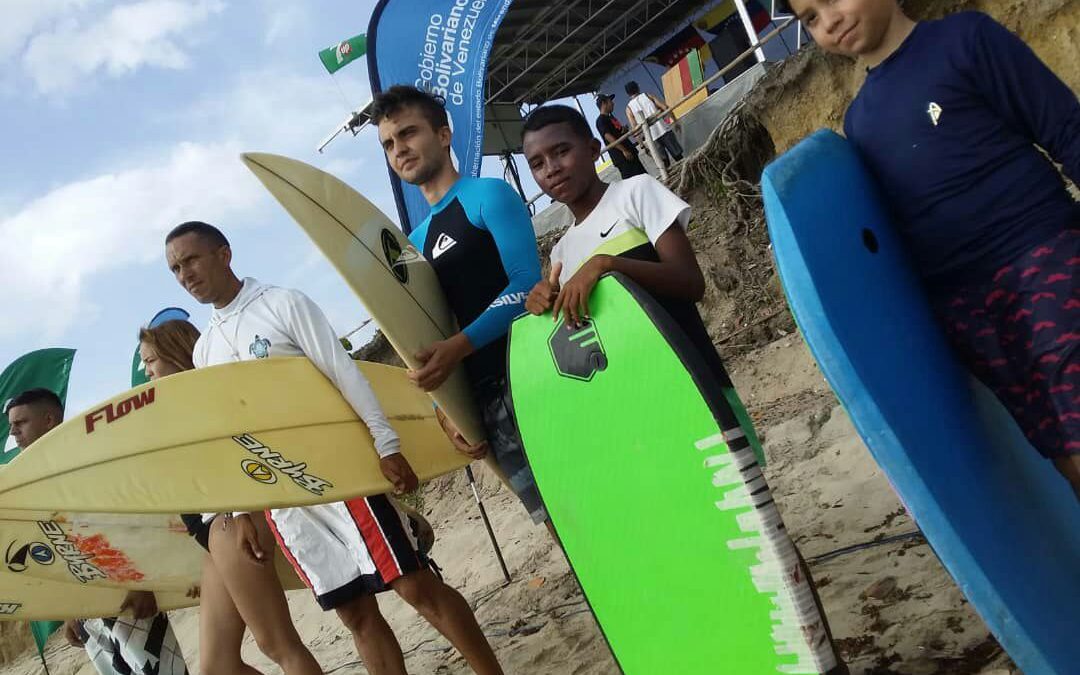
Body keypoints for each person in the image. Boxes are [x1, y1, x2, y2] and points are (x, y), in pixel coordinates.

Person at [518, 104, 849, 674]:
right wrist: (540, 301)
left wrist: (610, 264)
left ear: (593, 148)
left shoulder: (637, 194)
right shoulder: (561, 253)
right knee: (704, 543)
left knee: (761, 535)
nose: (552, 169)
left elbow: (689, 282)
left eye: (562, 151)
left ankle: (826, 662)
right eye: (538, 163)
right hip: (637, 418)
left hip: (695, 392)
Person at [165, 221, 503, 675]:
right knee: (355, 613)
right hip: (285, 500)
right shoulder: (205, 350)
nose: (185, 274)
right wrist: (242, 509)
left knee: (413, 585)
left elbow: (344, 373)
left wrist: (386, 444)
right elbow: (234, 432)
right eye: (175, 269)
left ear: (223, 254)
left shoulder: (281, 304)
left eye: (190, 260)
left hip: (337, 474)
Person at [785, 0, 1080, 497]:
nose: (829, 20)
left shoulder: (965, 41)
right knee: (1056, 446)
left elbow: (1065, 128)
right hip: (966, 309)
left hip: (1042, 256)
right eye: (810, 18)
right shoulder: (859, 123)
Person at [370, 85, 549, 530]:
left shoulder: (489, 195)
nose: (399, 149)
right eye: (388, 144)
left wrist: (458, 347)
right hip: (488, 405)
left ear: (443, 134)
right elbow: (432, 332)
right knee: (560, 528)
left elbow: (525, 284)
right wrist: (446, 409)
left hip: (539, 374)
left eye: (408, 133)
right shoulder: (413, 244)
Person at [5, 388, 189, 675]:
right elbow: (58, 547)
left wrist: (140, 584)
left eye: (21, 422)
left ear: (49, 419)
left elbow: (129, 522)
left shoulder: (88, 461)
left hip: (127, 597)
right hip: (88, 611)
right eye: (11, 425)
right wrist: (71, 611)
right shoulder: (32, 478)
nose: (13, 432)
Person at [624, 80, 683, 168]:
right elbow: (665, 107)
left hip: (651, 138)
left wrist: (642, 145)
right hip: (664, 130)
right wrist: (675, 121)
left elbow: (635, 128)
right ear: (638, 88)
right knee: (678, 157)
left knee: (664, 164)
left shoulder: (629, 108)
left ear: (628, 94)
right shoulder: (647, 95)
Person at [594, 93, 647, 179]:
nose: (613, 103)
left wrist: (623, 130)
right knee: (633, 181)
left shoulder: (611, 117)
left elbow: (618, 132)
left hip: (630, 152)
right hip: (622, 157)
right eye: (610, 101)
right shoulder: (601, 120)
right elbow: (608, 136)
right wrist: (624, 150)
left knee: (643, 176)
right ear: (604, 103)